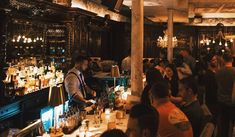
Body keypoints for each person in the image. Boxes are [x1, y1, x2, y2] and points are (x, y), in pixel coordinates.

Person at [216, 53, 235, 137]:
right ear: (232, 60)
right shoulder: (234, 71)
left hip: (221, 101)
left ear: (223, 60)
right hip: (232, 101)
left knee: (224, 124)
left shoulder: (218, 72)